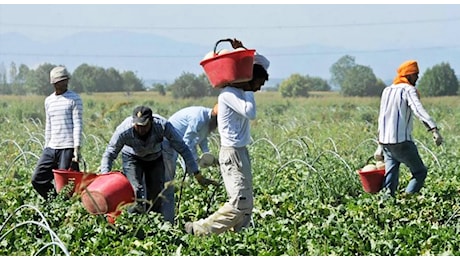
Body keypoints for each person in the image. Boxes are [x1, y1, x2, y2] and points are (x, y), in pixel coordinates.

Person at [185, 42, 270, 235]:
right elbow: (250, 112)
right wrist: (248, 86)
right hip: (232, 153)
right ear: (250, 78)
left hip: (241, 152)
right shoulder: (229, 94)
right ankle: (200, 229)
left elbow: (265, 62)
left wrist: (245, 51)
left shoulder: (239, 92)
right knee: (239, 201)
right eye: (259, 83)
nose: (259, 88)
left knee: (247, 203)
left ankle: (240, 239)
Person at [100, 105, 217, 217]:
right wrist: (105, 177)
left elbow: (183, 148)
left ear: (151, 121)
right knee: (136, 190)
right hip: (132, 158)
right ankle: (134, 223)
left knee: (156, 194)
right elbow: (109, 153)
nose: (140, 129)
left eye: (144, 125)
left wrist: (196, 173)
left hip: (154, 157)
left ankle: (154, 224)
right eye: (137, 125)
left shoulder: (162, 125)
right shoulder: (124, 130)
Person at [374, 60, 443, 197]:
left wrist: (380, 145)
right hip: (402, 142)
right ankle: (407, 200)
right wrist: (434, 129)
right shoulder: (408, 90)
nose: (417, 78)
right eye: (415, 74)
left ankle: (386, 204)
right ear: (408, 75)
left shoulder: (387, 90)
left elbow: (382, 118)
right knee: (419, 172)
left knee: (391, 176)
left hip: (387, 142)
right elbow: (418, 110)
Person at [31, 66, 83, 200]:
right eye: (59, 81)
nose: (62, 83)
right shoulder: (49, 101)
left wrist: (76, 149)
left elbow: (78, 124)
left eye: (64, 80)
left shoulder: (74, 99)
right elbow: (48, 125)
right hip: (52, 147)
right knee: (37, 179)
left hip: (67, 147)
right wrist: (46, 146)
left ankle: (64, 209)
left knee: (65, 186)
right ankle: (54, 202)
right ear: (53, 83)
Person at [162, 105, 220, 224]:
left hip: (180, 142)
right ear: (215, 117)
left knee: (189, 172)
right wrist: (195, 162)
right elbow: (187, 143)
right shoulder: (198, 118)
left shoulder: (207, 122)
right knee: (169, 179)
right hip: (169, 142)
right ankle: (167, 218)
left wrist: (207, 156)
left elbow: (202, 140)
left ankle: (178, 207)